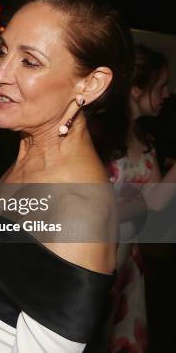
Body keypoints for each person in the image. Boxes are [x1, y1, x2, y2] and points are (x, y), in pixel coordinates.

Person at [0, 0, 134, 352]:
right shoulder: (30, 155)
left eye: (29, 61)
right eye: (2, 51)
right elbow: (1, 254)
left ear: (91, 83)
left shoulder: (77, 212)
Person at [106, 45, 176, 352]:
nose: (167, 93)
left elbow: (157, 200)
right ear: (135, 90)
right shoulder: (99, 137)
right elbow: (94, 211)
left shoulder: (143, 138)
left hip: (127, 263)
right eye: (160, 86)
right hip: (99, 256)